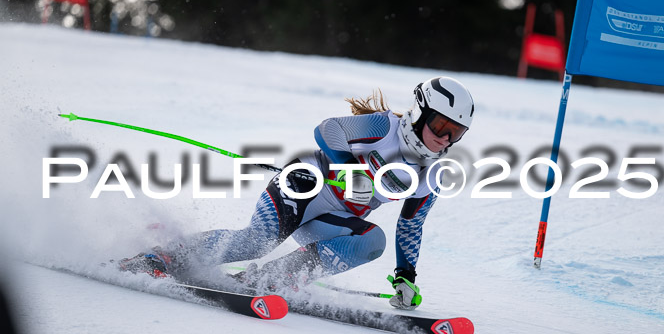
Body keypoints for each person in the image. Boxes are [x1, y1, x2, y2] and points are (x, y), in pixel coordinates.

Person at [120, 76, 475, 310]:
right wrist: (349, 170)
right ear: (418, 112)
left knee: (372, 241)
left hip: (331, 219)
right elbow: (327, 130)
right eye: (440, 125)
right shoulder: (385, 127)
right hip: (302, 186)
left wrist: (405, 276)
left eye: (455, 132)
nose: (444, 138)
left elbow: (410, 226)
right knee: (256, 242)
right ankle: (160, 258)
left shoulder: (432, 174)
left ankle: (262, 281)